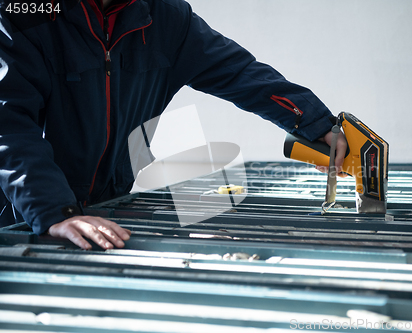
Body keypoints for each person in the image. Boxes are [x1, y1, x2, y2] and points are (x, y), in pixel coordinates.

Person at [0, 0, 346, 250]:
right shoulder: (22, 14)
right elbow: (8, 123)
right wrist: (53, 211)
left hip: (105, 208)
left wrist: (317, 124)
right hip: (19, 213)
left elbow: (239, 72)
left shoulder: (165, 17)